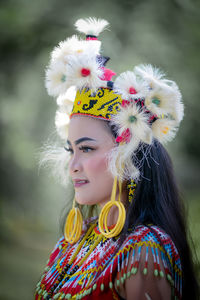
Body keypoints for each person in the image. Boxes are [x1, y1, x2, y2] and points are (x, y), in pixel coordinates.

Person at [35, 18, 199, 300]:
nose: (74, 165)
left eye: (86, 149)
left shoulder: (144, 252)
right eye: (70, 149)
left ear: (127, 155)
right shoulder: (74, 242)